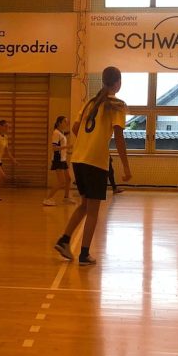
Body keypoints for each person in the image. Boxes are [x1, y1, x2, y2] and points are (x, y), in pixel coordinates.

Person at [53, 66, 131, 266]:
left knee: (84, 205)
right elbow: (119, 138)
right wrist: (126, 166)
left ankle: (64, 240)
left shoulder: (90, 102)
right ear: (118, 83)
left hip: (78, 159)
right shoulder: (117, 105)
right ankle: (84, 254)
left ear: (103, 81)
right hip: (95, 162)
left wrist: (87, 142)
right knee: (93, 211)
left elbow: (75, 128)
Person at [43, 116, 74, 206]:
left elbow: (61, 148)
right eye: (65, 121)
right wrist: (67, 147)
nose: (67, 123)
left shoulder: (62, 133)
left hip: (63, 160)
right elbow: (54, 148)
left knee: (68, 179)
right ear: (59, 123)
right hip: (58, 160)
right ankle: (47, 199)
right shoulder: (56, 133)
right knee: (61, 182)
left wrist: (68, 152)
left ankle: (66, 198)